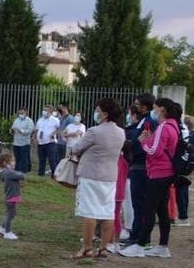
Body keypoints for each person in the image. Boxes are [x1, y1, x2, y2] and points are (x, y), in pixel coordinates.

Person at [121, 97, 181, 258]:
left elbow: (154, 150)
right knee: (161, 210)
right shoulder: (174, 126)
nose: (153, 111)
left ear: (162, 110)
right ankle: (162, 245)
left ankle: (141, 244)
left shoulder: (164, 126)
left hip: (159, 172)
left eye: (155, 108)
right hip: (167, 172)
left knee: (149, 209)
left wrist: (143, 142)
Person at [68, 98, 126, 259]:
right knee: (108, 212)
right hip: (110, 176)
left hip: (91, 175)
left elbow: (76, 148)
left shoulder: (94, 132)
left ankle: (87, 248)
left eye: (98, 110)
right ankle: (103, 248)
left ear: (105, 114)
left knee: (89, 211)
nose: (96, 113)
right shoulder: (121, 132)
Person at [122, 93, 157, 244]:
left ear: (144, 106)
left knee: (140, 203)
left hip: (141, 166)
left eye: (137, 103)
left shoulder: (149, 122)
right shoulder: (143, 121)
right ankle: (135, 235)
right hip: (136, 165)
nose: (134, 105)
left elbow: (143, 145)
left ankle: (140, 237)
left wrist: (131, 145)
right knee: (137, 203)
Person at [175, 115, 194, 227]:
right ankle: (183, 216)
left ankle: (183, 217)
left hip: (187, 167)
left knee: (181, 192)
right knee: (183, 191)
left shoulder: (190, 137)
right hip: (190, 166)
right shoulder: (193, 136)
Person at [0, 152, 24, 240]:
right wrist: (20, 173)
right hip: (11, 196)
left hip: (10, 196)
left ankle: (2, 228)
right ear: (5, 163)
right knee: (10, 214)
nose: (14, 163)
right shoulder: (9, 172)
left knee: (10, 213)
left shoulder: (5, 172)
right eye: (12, 161)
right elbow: (21, 176)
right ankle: (7, 232)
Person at [35, 106, 61, 178]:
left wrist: (54, 133)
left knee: (52, 160)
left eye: (46, 110)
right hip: (41, 142)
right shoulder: (40, 120)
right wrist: (35, 138)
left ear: (50, 112)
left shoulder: (55, 120)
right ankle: (40, 174)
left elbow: (59, 128)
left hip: (50, 142)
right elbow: (37, 129)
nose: (44, 111)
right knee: (41, 159)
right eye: (43, 110)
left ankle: (54, 175)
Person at [10, 109, 35, 173]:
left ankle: (24, 172)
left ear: (26, 113)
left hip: (25, 143)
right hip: (16, 142)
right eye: (19, 113)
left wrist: (21, 131)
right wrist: (12, 131)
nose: (20, 115)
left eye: (22, 113)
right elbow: (12, 128)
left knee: (24, 158)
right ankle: (17, 171)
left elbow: (30, 131)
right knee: (17, 158)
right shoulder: (16, 120)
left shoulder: (29, 121)